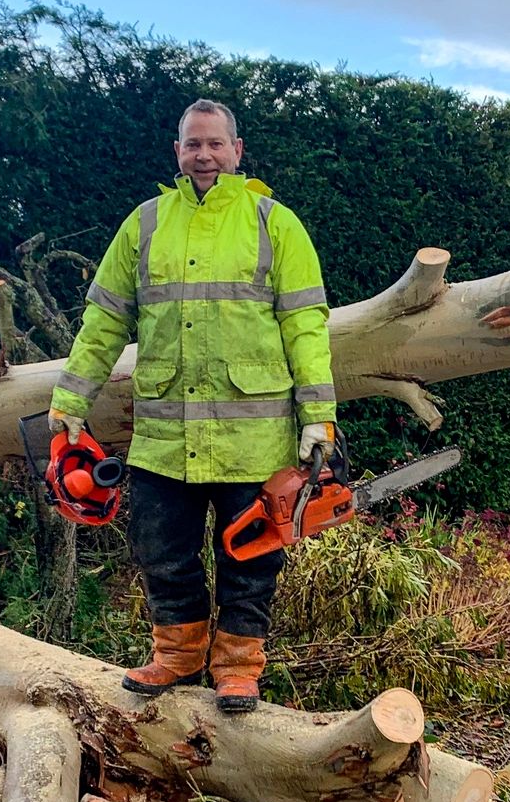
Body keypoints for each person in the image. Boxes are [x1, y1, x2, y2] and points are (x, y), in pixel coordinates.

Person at [47, 99, 336, 713]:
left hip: (253, 438)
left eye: (214, 143)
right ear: (176, 151)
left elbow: (305, 324)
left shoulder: (274, 223)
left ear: (237, 150)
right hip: (163, 435)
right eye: (191, 144)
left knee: (251, 556)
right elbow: (103, 321)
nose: (203, 154)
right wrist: (71, 398)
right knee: (161, 551)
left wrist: (318, 414)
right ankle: (176, 656)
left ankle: (237, 668)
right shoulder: (146, 223)